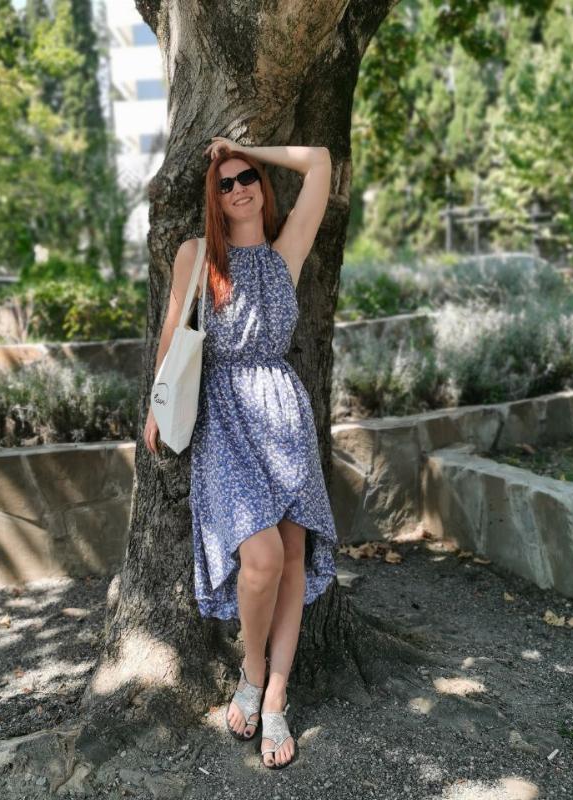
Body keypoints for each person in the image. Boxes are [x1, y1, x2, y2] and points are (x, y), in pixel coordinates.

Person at [144, 137, 337, 769]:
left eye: (246, 177)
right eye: (224, 184)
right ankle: (252, 671)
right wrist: (156, 404)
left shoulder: (287, 251)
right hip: (225, 417)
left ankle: (275, 695)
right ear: (215, 200)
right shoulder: (199, 255)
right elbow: (173, 330)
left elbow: (319, 161)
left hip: (283, 414)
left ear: (261, 183)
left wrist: (246, 146)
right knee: (262, 558)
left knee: (292, 555)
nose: (238, 189)